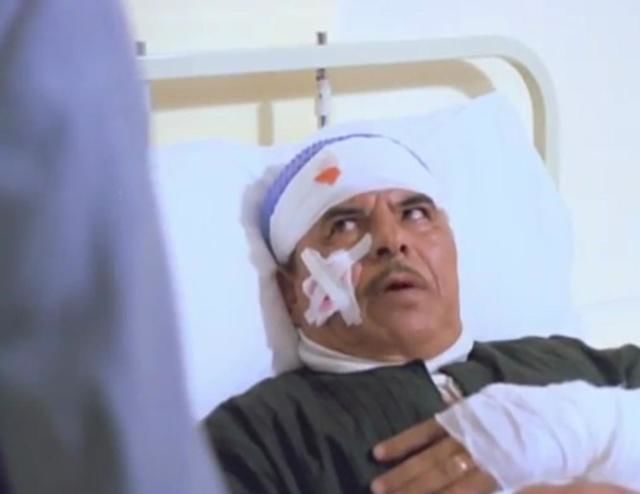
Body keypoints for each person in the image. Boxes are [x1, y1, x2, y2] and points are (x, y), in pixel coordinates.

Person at [205, 134, 640, 493]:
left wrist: (593, 426)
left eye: (415, 214)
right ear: (291, 294)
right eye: (344, 225)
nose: (391, 240)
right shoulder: (259, 437)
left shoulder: (567, 366)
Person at [0, 1, 227, 493]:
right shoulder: (268, 427)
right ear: (289, 285)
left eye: (403, 210)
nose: (391, 242)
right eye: (344, 223)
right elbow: (113, 443)